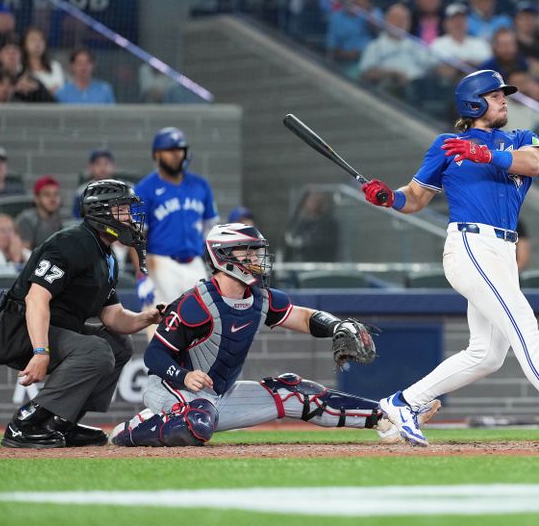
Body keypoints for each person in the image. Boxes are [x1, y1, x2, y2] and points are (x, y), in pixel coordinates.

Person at [359, 69, 539, 447]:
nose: (504, 99)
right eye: (495, 95)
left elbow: (534, 163)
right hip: (470, 245)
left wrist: (485, 153)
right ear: (473, 103)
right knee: (525, 327)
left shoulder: (520, 139)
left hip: (504, 251)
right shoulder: (448, 144)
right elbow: (416, 197)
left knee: (486, 355)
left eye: (503, 94)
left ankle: (403, 402)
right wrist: (389, 197)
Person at [109, 222, 441, 447]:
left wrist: (338, 326)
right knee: (197, 422)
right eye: (247, 253)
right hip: (172, 390)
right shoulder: (196, 304)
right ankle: (137, 428)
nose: (255, 259)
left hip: (218, 395)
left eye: (255, 252)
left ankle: (386, 420)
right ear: (224, 258)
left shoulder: (261, 298)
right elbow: (154, 356)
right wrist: (184, 374)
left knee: (297, 393)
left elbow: (303, 317)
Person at [0, 179, 163, 448]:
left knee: (118, 345)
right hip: (18, 327)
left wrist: (146, 318)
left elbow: (112, 317)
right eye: (123, 209)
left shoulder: (107, 257)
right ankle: (25, 423)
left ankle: (61, 423)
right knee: (96, 350)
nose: (129, 217)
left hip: (52, 327)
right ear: (102, 212)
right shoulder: (70, 243)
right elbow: (36, 298)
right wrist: (40, 352)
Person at [133, 127, 219, 333]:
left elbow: (211, 230)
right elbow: (136, 237)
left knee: (205, 326)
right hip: (160, 264)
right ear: (157, 154)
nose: (175, 155)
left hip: (195, 263)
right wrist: (142, 274)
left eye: (179, 149)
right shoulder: (145, 188)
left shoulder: (200, 185)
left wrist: (215, 265)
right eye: (169, 150)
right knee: (162, 327)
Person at [358, 3, 431, 96]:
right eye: (395, 18)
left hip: (418, 90)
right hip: (389, 91)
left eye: (403, 19)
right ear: (386, 20)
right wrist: (392, 73)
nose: (399, 23)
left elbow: (429, 68)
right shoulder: (375, 46)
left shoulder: (416, 45)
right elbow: (366, 74)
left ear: (409, 23)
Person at [284, 190, 339, 262]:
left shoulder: (330, 223)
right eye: (310, 200)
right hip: (300, 265)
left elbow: (327, 244)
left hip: (321, 265)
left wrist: (304, 242)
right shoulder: (299, 223)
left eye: (316, 200)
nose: (313, 203)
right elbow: (291, 244)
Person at [15, 175, 63, 250]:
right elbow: (25, 252)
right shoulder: (26, 220)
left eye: (56, 194)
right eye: (47, 194)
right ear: (36, 198)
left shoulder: (64, 218)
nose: (53, 199)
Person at [72, 149, 116, 218]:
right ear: (90, 167)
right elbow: (77, 218)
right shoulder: (82, 191)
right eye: (98, 164)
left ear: (113, 166)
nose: (103, 167)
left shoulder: (124, 189)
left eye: (106, 163)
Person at [20, 27, 64, 95]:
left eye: (41, 39)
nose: (37, 43)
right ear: (24, 44)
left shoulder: (55, 66)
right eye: (33, 39)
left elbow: (60, 91)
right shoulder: (19, 67)